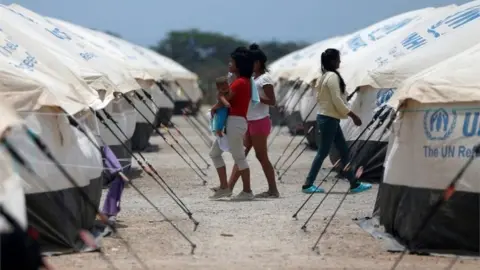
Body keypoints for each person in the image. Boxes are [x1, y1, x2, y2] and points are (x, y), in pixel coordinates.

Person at [302, 48, 372, 194]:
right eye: (338, 59)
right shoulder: (332, 77)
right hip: (329, 119)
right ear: (333, 61)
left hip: (328, 118)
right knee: (323, 152)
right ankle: (308, 184)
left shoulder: (323, 77)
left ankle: (354, 183)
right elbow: (337, 100)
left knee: (343, 150)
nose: (340, 61)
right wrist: (353, 115)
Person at [224, 43, 279, 198]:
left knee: (261, 156)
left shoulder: (264, 79)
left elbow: (272, 101)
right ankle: (228, 187)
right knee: (241, 155)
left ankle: (273, 190)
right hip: (249, 121)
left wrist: (254, 97)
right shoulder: (251, 79)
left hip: (260, 121)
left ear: (257, 63)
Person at [209, 47, 255, 201]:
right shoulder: (244, 82)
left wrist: (215, 105)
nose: (229, 64)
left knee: (239, 158)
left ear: (239, 65)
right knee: (215, 153)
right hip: (236, 122)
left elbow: (224, 102)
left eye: (232, 62)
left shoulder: (239, 83)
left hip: (234, 122)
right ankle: (224, 188)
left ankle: (247, 191)